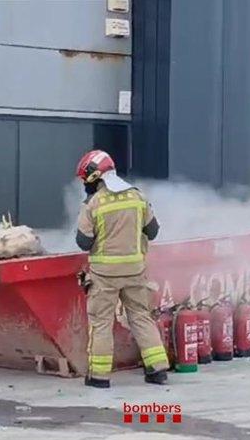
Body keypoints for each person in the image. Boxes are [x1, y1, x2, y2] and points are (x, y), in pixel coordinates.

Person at [75, 150, 169, 388]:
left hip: (104, 276)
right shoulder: (138, 197)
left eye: (87, 180)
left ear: (97, 176)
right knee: (141, 317)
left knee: (101, 323)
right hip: (135, 271)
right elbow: (153, 232)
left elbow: (83, 242)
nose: (86, 185)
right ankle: (157, 370)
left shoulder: (93, 204)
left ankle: (99, 377)